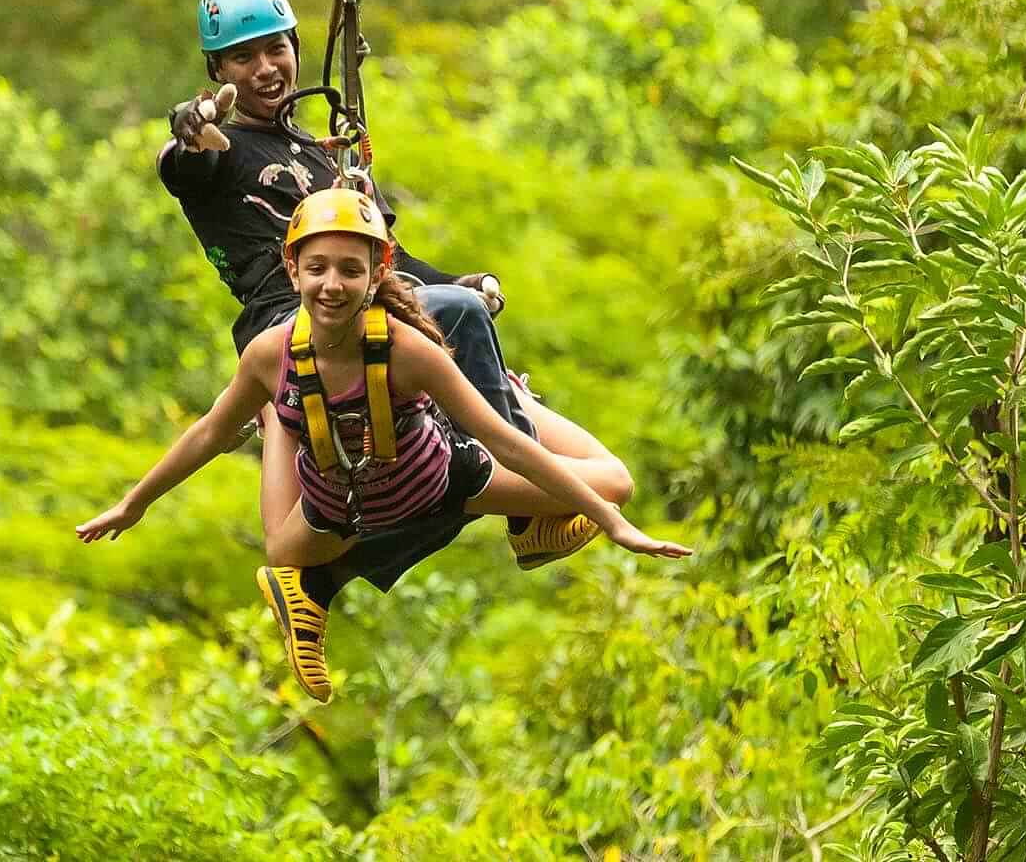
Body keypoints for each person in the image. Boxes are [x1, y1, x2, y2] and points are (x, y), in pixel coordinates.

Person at [143, 0, 613, 693]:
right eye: (241, 58)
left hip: (366, 312)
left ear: (297, 49)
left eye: (274, 49)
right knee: (451, 335)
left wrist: (467, 280)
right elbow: (185, 165)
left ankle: (322, 585)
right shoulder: (223, 153)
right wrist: (193, 126)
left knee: (446, 444)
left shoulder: (326, 156)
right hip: (296, 320)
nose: (264, 69)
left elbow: (388, 264)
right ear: (217, 71)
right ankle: (522, 514)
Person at [76, 189, 691, 698]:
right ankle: (277, 419)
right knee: (280, 548)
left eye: (351, 270)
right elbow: (209, 432)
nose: (332, 286)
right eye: (316, 269)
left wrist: (610, 522)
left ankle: (517, 394)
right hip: (339, 510)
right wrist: (136, 503)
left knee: (614, 480)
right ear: (292, 271)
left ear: (378, 274)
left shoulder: (408, 352)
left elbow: (503, 439)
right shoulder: (269, 354)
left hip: (448, 485)